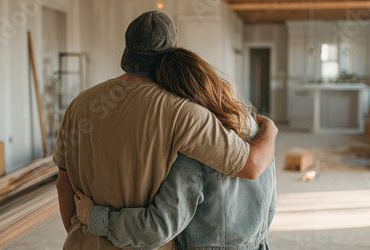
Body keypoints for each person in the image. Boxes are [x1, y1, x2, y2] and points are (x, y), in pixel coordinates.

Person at [53, 11, 278, 249]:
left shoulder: (79, 104)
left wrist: (83, 232)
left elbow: (63, 183)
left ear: (128, 49)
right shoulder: (185, 114)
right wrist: (270, 128)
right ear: (173, 52)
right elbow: (252, 165)